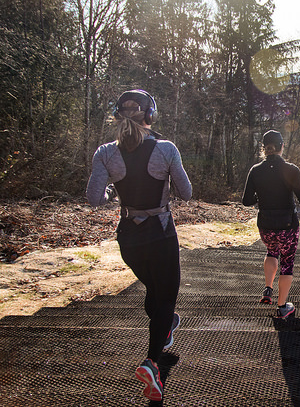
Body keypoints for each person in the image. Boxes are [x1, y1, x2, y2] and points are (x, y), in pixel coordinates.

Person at [86, 89, 192, 402]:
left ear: (119, 115)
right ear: (150, 115)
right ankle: (151, 364)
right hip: (160, 234)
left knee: (155, 294)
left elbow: (94, 197)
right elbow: (185, 193)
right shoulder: (166, 148)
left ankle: (167, 326)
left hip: (128, 238)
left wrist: (110, 193)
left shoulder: (105, 152)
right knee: (166, 297)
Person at [242, 130, 300, 319]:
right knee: (287, 263)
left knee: (271, 251)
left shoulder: (255, 170)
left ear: (264, 148)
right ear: (282, 147)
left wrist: (262, 195)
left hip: (265, 226)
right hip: (287, 227)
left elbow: (246, 201)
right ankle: (282, 307)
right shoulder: (291, 170)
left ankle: (268, 289)